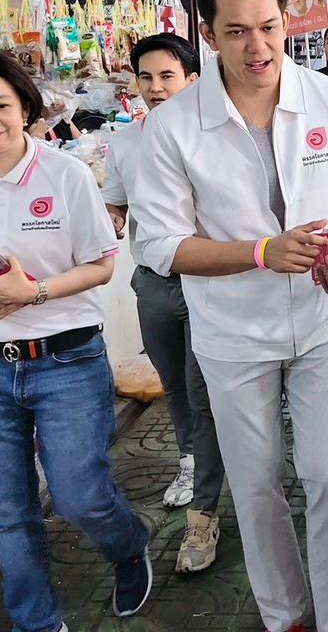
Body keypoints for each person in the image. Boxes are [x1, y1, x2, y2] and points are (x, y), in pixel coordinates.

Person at [131, 0, 328, 632]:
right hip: (233, 336)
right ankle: (286, 615)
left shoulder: (327, 99)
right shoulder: (175, 125)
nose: (257, 46)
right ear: (208, 34)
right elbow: (161, 246)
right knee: (258, 485)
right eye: (236, 32)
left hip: (321, 321)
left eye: (268, 26)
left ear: (286, 19)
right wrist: (261, 253)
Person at [0, 50, 151, 631]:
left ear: (24, 107)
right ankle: (38, 622)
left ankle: (128, 546)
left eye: (0, 104)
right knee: (7, 513)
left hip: (66, 359)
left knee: (79, 495)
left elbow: (101, 264)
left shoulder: (65, 175)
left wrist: (34, 293)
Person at [102, 33, 224, 574]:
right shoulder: (125, 142)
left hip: (205, 282)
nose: (155, 87)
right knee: (173, 383)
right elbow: (116, 204)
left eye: (167, 76)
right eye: (146, 77)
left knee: (202, 389)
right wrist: (106, 220)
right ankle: (191, 460)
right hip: (153, 283)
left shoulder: (213, 136)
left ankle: (206, 506)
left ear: (191, 80)